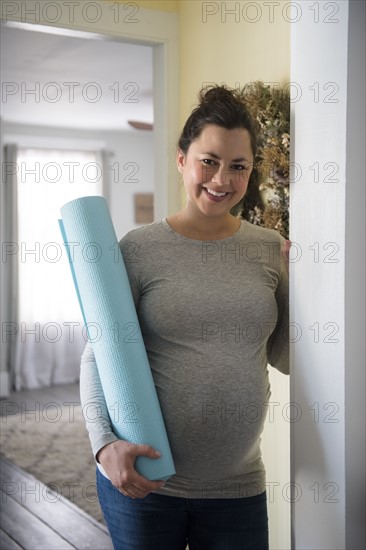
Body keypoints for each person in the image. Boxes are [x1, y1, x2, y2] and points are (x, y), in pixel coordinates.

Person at [80, 85, 289, 550]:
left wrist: (313, 291)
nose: (221, 179)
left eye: (239, 166)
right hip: (148, 484)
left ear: (251, 170)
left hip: (238, 488)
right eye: (208, 161)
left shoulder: (271, 250)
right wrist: (102, 445)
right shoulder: (139, 249)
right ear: (181, 159)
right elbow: (98, 355)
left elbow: (289, 357)